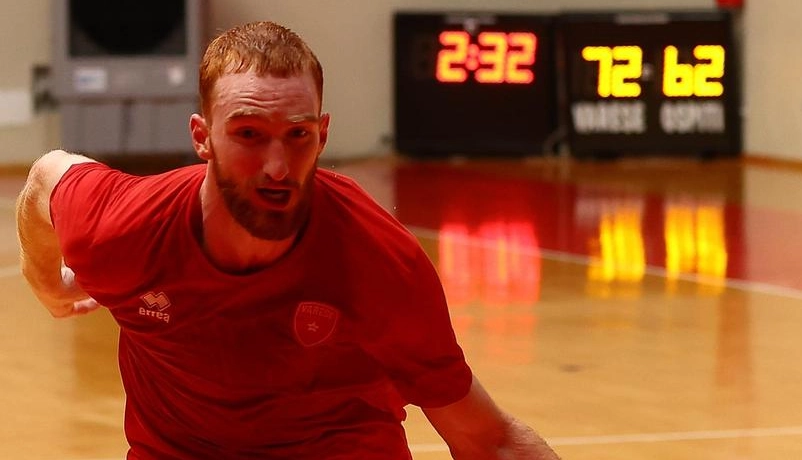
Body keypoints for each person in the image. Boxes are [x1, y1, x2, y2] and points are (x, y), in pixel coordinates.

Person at [16, 21, 561, 460]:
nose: (278, 167)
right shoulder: (125, 230)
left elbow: (488, 441)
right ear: (202, 137)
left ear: (321, 134)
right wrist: (45, 282)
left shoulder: (377, 261)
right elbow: (45, 177)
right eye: (249, 134)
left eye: (297, 135)